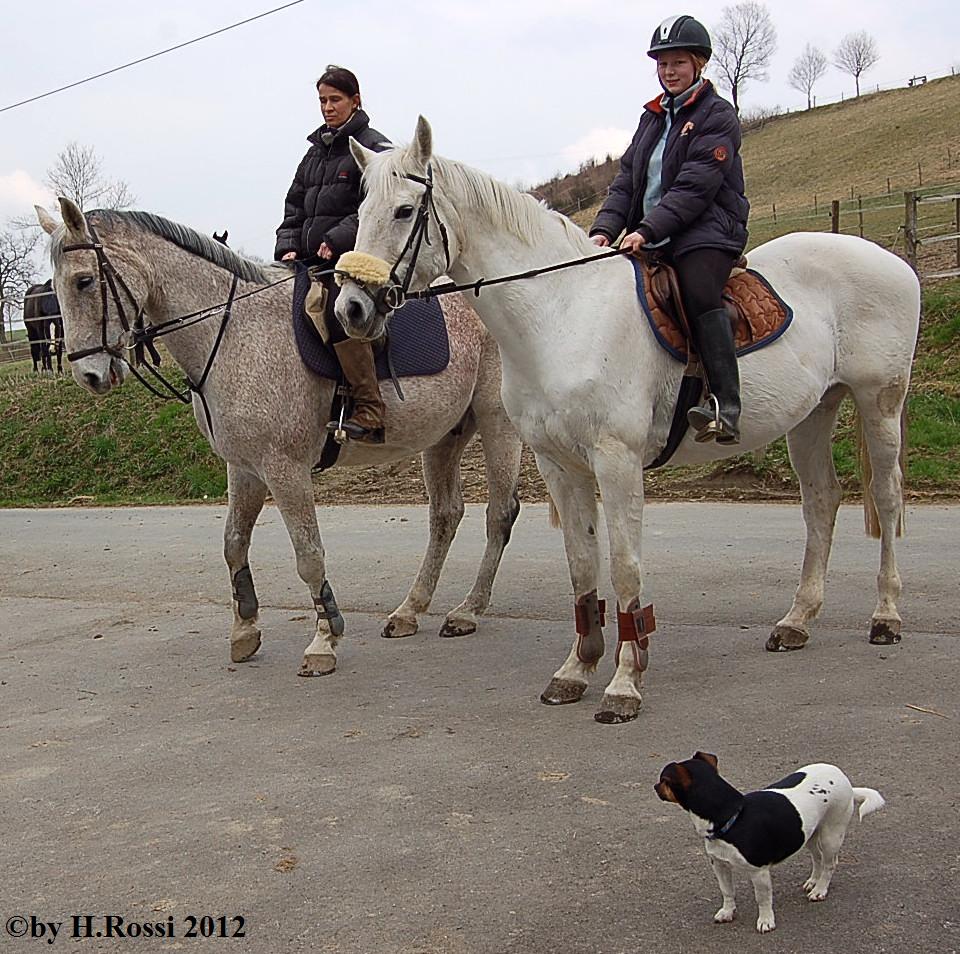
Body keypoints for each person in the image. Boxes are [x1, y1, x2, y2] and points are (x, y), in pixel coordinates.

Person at [589, 15, 749, 444]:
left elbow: (694, 188)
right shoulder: (652, 118)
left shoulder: (718, 116)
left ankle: (725, 403)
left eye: (677, 62)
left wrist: (645, 228)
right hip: (653, 232)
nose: (668, 71)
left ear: (698, 64)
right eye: (662, 64)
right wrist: (604, 229)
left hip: (707, 231)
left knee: (698, 290)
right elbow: (627, 181)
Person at [275, 65, 391, 443]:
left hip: (355, 261)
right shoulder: (313, 155)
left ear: (355, 101)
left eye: (335, 100)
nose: (327, 107)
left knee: (337, 310)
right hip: (310, 262)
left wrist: (339, 239)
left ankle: (369, 407)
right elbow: (294, 204)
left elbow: (380, 207)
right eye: (322, 100)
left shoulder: (375, 147)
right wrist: (288, 245)